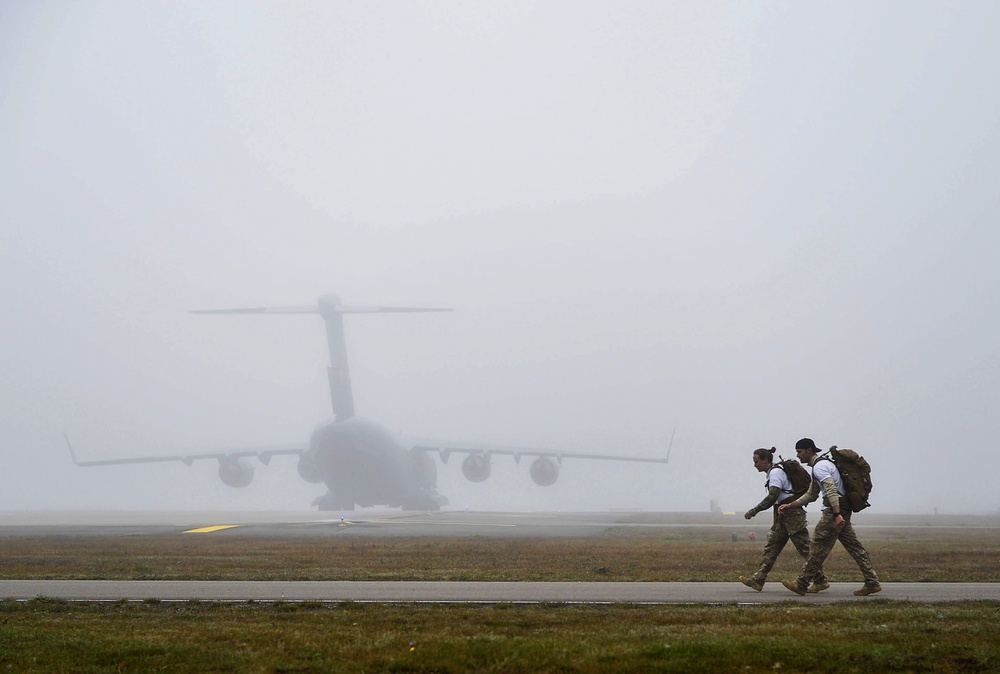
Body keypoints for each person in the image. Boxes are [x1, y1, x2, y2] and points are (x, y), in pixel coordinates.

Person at [778, 437, 881, 596]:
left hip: (834, 511)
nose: (798, 456)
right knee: (854, 547)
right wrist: (791, 505)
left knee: (818, 546)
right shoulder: (822, 465)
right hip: (841, 509)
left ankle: (802, 583)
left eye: (799, 452)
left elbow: (831, 490)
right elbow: (811, 494)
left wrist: (837, 514)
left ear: (809, 450)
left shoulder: (820, 467)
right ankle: (872, 582)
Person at [739, 447, 827, 592]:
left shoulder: (775, 473)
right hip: (782, 513)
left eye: (756, 462)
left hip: (791, 514)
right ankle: (758, 579)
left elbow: (772, 496)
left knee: (804, 548)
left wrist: (754, 511)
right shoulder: (773, 472)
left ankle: (820, 580)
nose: (754, 465)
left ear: (765, 460)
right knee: (772, 547)